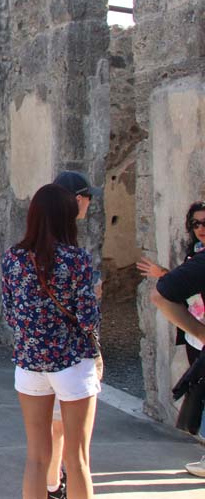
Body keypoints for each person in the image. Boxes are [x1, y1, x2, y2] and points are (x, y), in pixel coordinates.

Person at [2, 184, 101, 499]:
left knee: (36, 457)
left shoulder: (12, 259)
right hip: (72, 362)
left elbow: (11, 314)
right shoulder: (76, 259)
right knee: (77, 459)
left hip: (30, 364)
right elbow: (87, 318)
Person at [46, 171, 104, 498]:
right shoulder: (73, 252)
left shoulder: (24, 252)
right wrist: (91, 295)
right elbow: (86, 317)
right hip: (72, 355)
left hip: (37, 358)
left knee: (53, 433)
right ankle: (60, 485)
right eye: (87, 197)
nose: (90, 203)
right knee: (77, 450)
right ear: (76, 200)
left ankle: (53, 485)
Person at [141, 201, 205, 478]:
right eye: (196, 224)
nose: (201, 229)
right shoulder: (196, 254)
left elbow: (164, 293)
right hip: (197, 335)